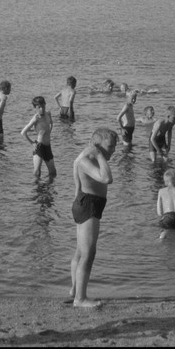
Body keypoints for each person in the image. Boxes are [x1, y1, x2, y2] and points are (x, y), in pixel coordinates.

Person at [69, 128, 116, 308]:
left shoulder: (85, 157)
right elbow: (106, 178)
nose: (113, 151)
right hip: (88, 204)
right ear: (97, 145)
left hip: (86, 203)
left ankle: (75, 290)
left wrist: (99, 153)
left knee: (81, 251)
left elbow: (77, 187)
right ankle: (80, 299)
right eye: (110, 147)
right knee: (88, 253)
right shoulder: (86, 159)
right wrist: (99, 154)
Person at [21, 96, 57, 179]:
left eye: (43, 106)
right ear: (35, 108)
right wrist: (32, 144)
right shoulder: (35, 118)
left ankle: (49, 188)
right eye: (39, 107)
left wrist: (49, 131)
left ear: (45, 104)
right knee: (37, 172)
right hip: (39, 146)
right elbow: (23, 132)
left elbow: (51, 123)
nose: (42, 109)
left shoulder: (48, 113)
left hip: (48, 146)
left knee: (53, 172)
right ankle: (37, 189)